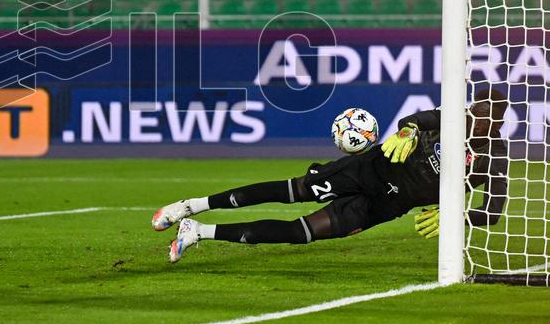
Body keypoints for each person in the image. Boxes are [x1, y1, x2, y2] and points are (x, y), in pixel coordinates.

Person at [155, 89, 509, 263]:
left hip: (386, 206)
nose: (472, 118)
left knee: (301, 232)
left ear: (494, 124)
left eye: (480, 116)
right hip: (365, 171)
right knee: (290, 191)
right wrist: (408, 131)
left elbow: (492, 210)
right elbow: (414, 120)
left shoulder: (496, 158)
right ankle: (191, 206)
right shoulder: (453, 118)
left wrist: (457, 216)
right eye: (473, 111)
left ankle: (199, 232)